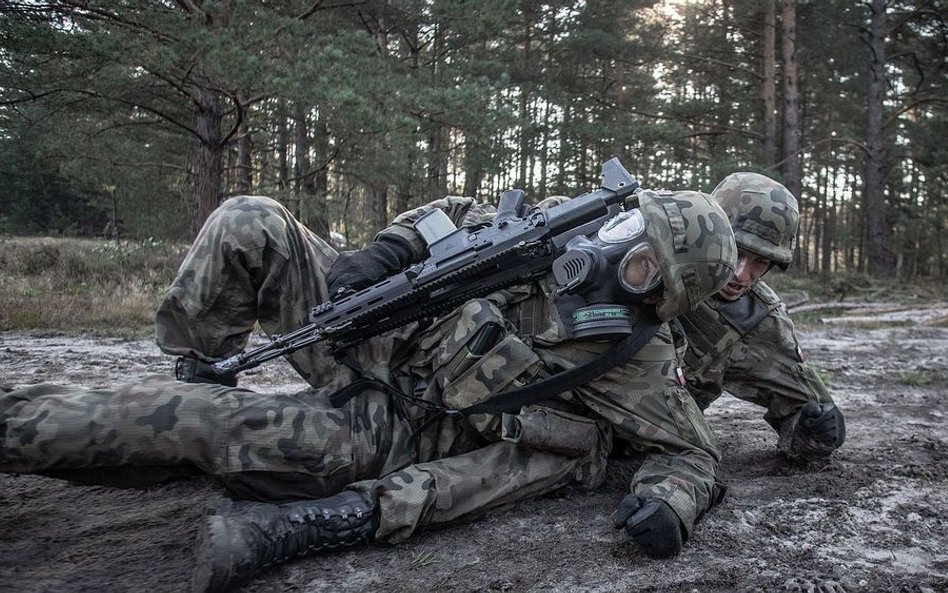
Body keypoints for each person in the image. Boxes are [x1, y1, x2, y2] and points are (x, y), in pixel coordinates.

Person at [0, 184, 737, 593]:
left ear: (668, 296)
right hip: (382, 323)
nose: (618, 260)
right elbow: (456, 214)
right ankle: (198, 365)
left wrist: (671, 501)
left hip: (394, 426)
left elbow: (692, 455)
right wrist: (389, 248)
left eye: (644, 268)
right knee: (250, 221)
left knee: (198, 421)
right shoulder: (564, 225)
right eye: (628, 237)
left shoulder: (635, 361)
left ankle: (26, 427)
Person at [678, 172, 846, 461]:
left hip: (658, 443)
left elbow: (805, 409)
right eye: (735, 252)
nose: (742, 274)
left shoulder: (757, 319)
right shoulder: (649, 262)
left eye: (760, 261)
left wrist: (813, 429)